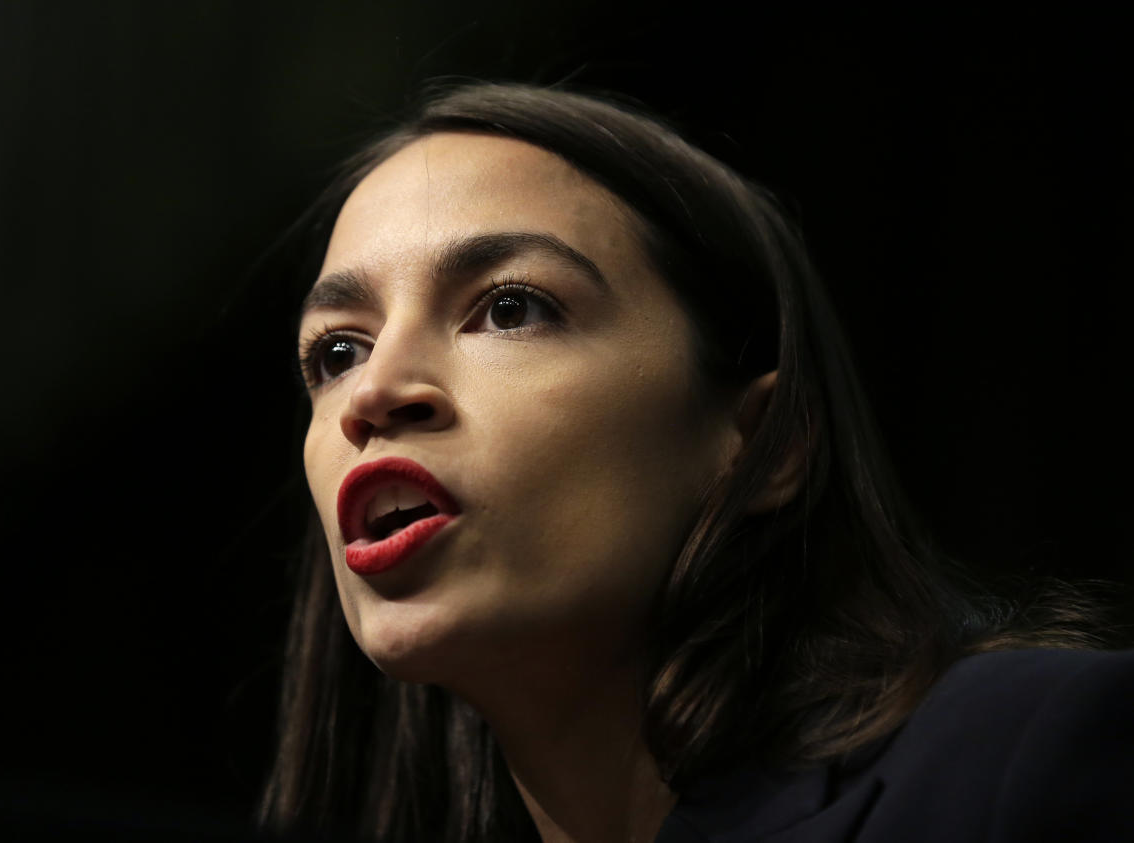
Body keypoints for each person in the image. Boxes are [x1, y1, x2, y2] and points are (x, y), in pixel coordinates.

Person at [258, 82, 1133, 842]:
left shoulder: (1031, 752)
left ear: (764, 439)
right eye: (336, 352)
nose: (374, 392)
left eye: (510, 306)